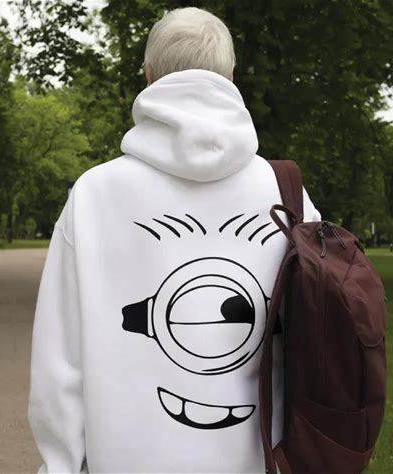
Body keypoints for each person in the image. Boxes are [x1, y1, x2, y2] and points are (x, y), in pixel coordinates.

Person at [28, 7, 321, 473]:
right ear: (231, 77)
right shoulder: (287, 196)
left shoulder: (94, 195)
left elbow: (59, 361)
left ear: (148, 76)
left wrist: (61, 465)